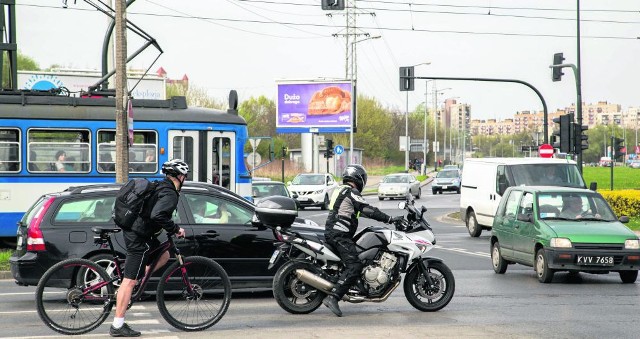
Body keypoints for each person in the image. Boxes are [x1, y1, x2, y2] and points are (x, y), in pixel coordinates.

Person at [110, 159, 188, 337]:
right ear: (180, 176)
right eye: (184, 176)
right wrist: (175, 228)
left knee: (164, 254)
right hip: (138, 236)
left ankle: (137, 283)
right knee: (129, 281)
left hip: (139, 232)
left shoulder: (160, 186)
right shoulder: (170, 194)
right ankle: (117, 325)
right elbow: (157, 214)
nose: (185, 179)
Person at [322, 164, 403, 317]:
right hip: (339, 234)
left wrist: (381, 218)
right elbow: (367, 209)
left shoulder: (341, 190)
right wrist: (390, 219)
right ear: (359, 178)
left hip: (336, 233)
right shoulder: (351, 192)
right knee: (355, 265)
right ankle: (333, 297)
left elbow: (359, 211)